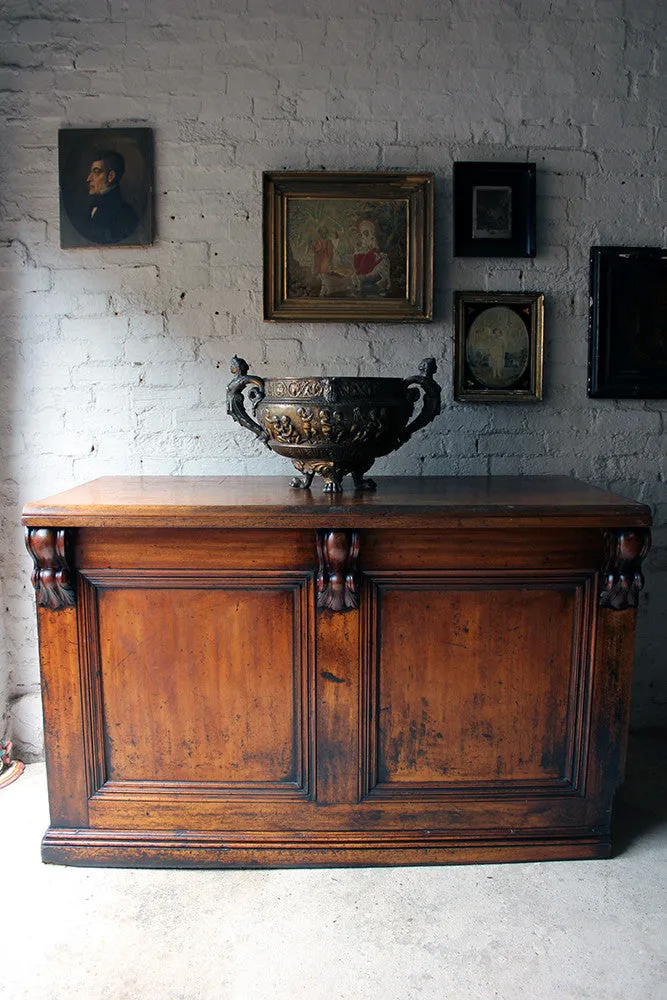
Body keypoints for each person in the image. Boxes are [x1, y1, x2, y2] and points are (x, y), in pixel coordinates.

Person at [79, 149, 138, 244]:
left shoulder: (124, 213)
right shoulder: (95, 203)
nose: (89, 178)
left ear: (111, 176)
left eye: (96, 172)